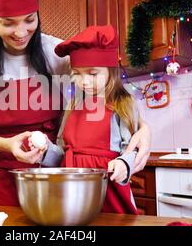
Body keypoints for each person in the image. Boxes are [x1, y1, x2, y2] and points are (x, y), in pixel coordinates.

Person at [0, 0, 151, 207]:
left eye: (29, 20)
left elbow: (103, 90)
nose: (20, 32)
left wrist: (142, 128)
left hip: (56, 170)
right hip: (2, 171)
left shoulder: (57, 52)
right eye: (8, 23)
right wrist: (8, 145)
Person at [35, 26, 141, 214]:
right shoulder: (72, 106)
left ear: (111, 71)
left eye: (93, 74)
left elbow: (132, 148)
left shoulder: (122, 104)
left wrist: (124, 164)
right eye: (77, 74)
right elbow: (61, 152)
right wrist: (44, 150)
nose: (84, 82)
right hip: (70, 188)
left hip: (107, 187)